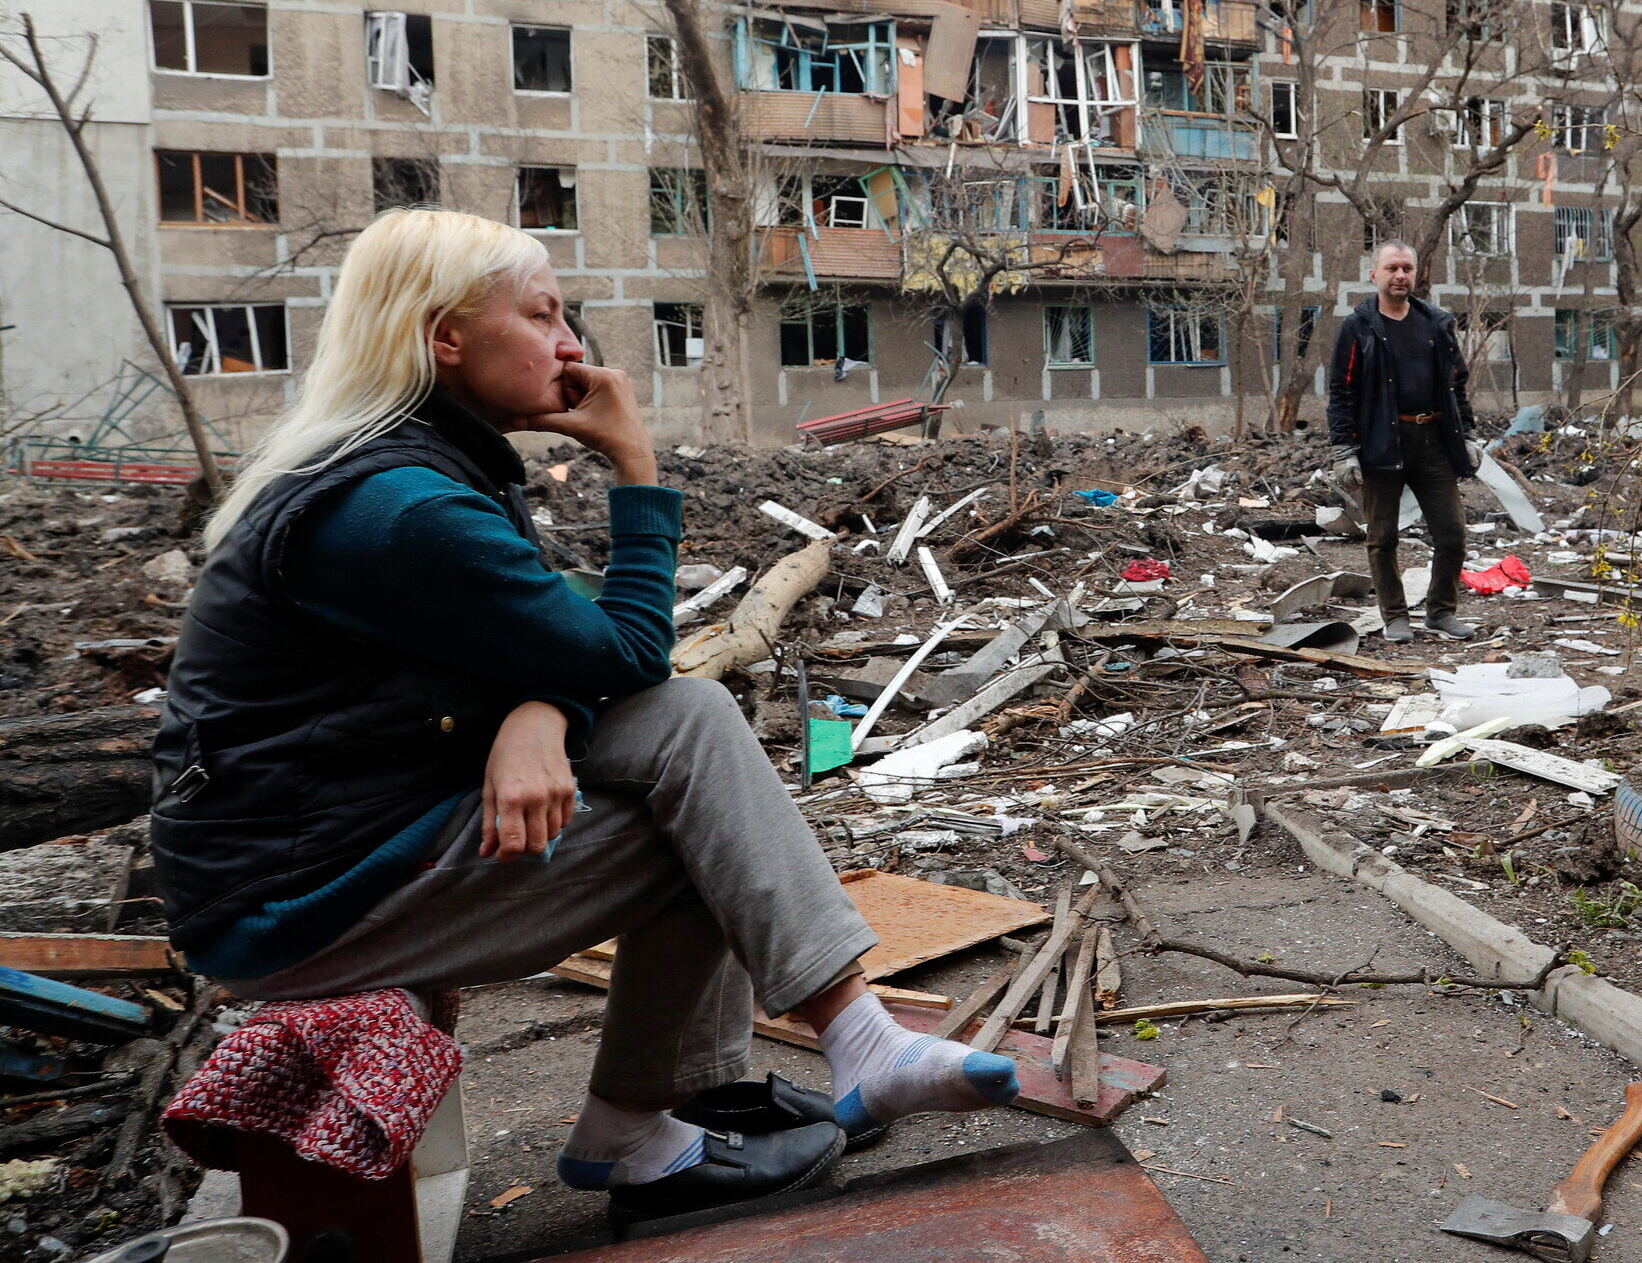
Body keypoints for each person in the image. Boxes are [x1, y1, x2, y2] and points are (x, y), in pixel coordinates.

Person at [148, 209, 1018, 1227]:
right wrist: (638, 470)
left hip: (350, 829)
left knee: (686, 725)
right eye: (543, 314)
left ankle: (736, 1081)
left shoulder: (410, 462)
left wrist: (539, 711)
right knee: (697, 809)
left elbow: (550, 641)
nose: (571, 345)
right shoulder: (402, 509)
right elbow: (621, 650)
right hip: (296, 904)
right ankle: (676, 1118)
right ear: (444, 337)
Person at [1326, 240, 1481, 643]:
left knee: (1451, 534)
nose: (1400, 275)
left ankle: (1441, 612)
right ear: (1373, 274)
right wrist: (1345, 451)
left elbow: (1456, 384)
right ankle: (1395, 616)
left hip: (1434, 441)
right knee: (1383, 536)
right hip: (1382, 442)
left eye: (1407, 268)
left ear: (1415, 274)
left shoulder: (1435, 324)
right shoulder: (1358, 328)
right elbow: (1341, 392)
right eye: (1391, 268)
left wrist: (1467, 435)